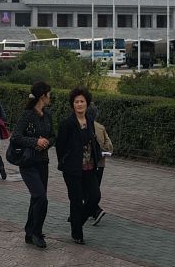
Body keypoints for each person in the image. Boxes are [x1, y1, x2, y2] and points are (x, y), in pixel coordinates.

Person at [11, 81, 54, 249]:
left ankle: (29, 233)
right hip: (28, 163)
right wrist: (35, 141)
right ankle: (37, 232)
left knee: (36, 197)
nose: (50, 97)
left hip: (43, 162)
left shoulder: (48, 115)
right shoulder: (27, 115)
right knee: (41, 197)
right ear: (42, 96)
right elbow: (15, 137)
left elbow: (53, 136)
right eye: (49, 94)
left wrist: (46, 143)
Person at [56, 86, 102, 244]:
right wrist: (64, 162)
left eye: (82, 101)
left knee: (95, 197)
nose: (80, 104)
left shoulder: (90, 120)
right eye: (76, 102)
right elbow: (60, 146)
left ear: (87, 103)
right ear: (72, 104)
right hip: (73, 169)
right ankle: (77, 234)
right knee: (76, 201)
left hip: (90, 167)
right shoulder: (67, 123)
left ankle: (77, 222)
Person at [92, 119, 113, 226]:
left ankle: (96, 211)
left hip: (87, 164)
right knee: (95, 188)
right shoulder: (101, 127)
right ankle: (91, 211)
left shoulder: (81, 126)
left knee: (86, 189)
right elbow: (109, 147)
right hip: (100, 164)